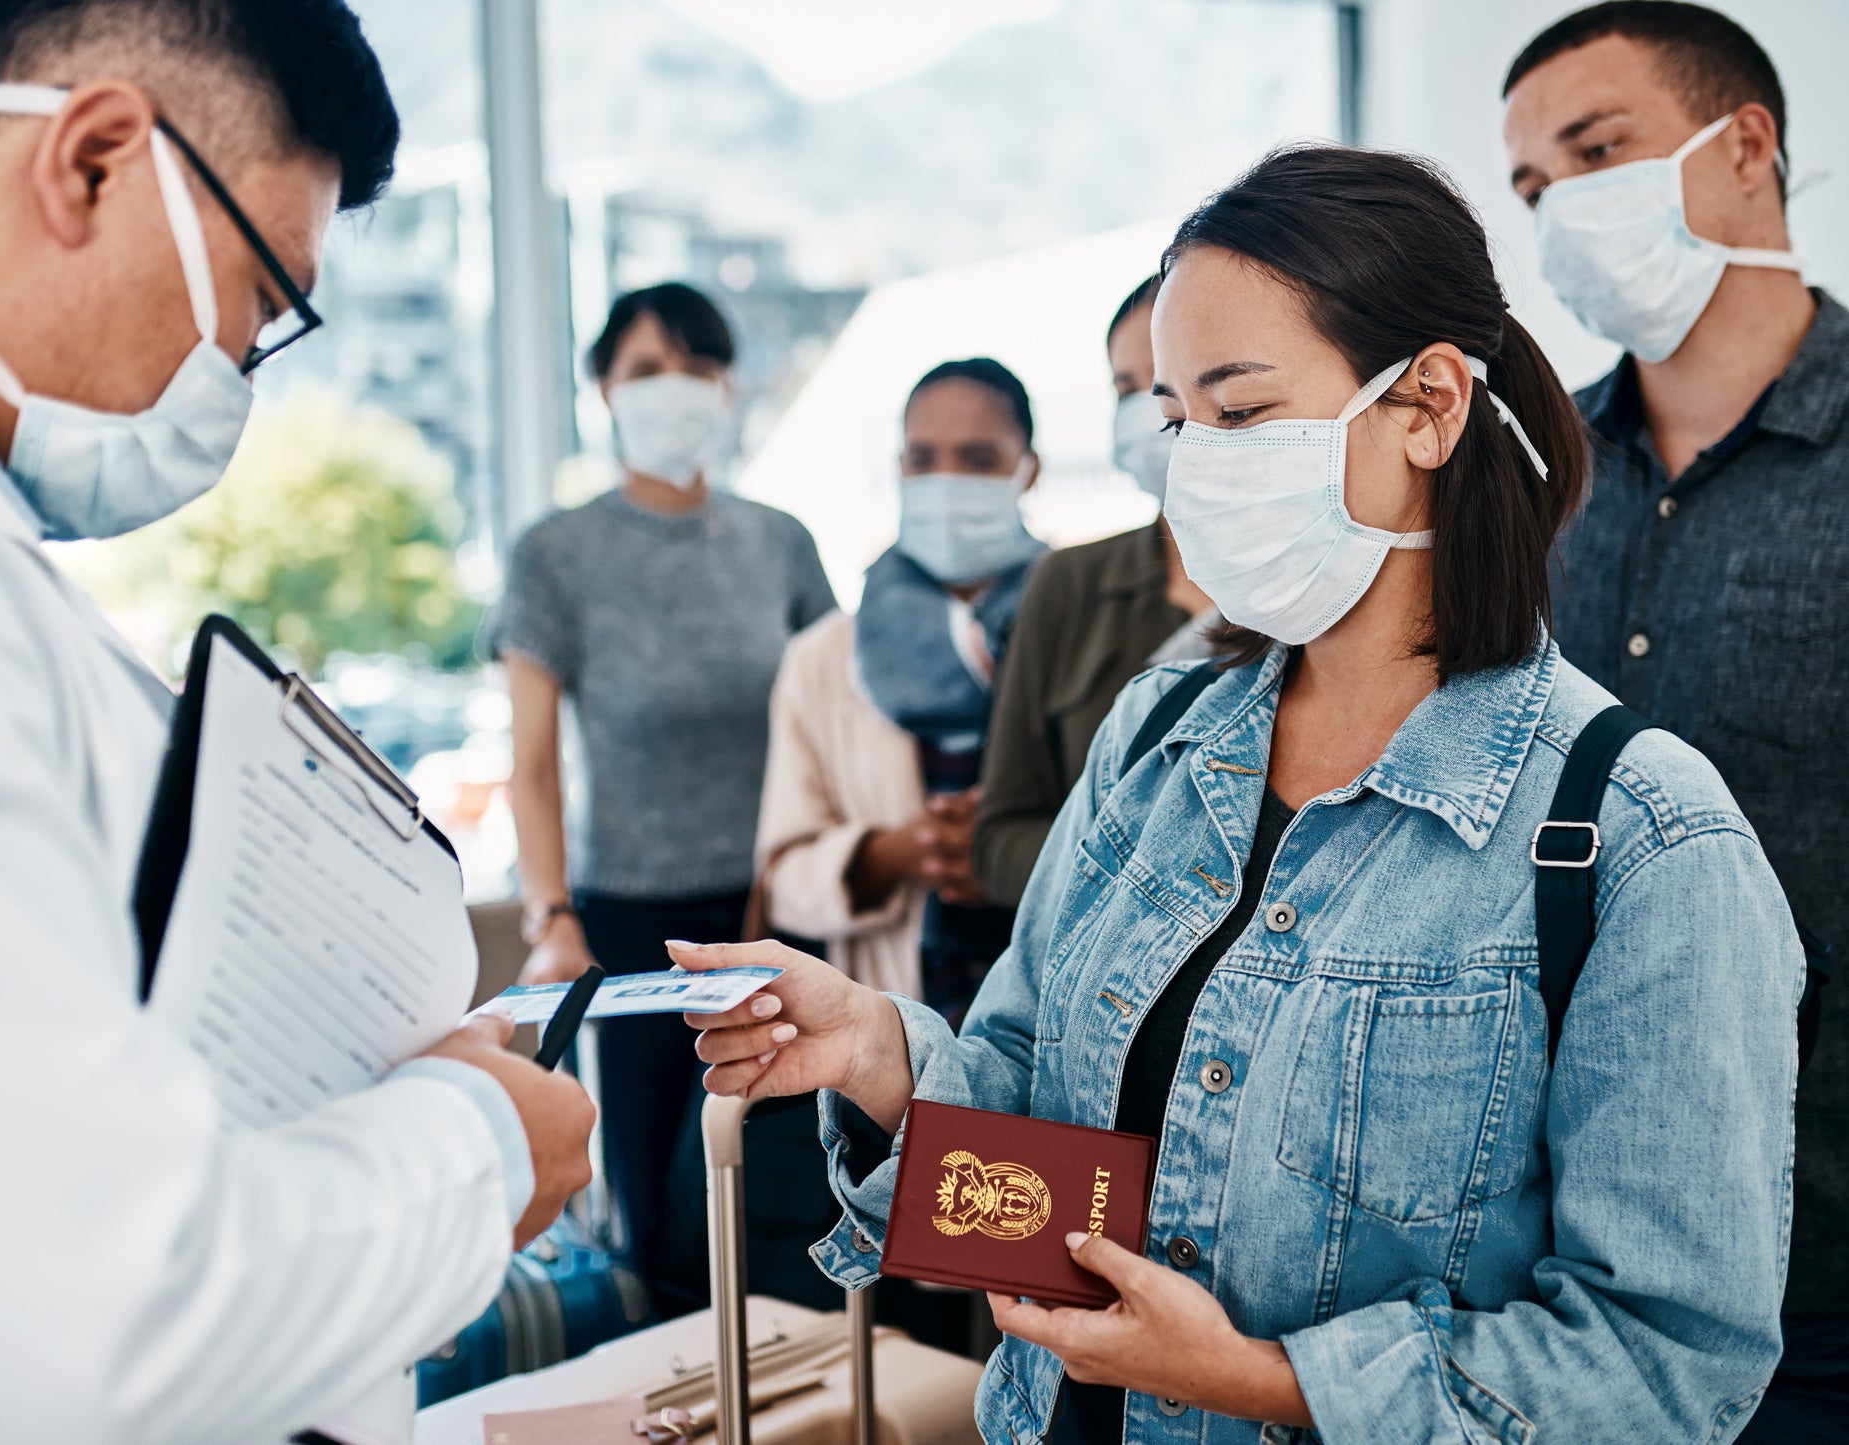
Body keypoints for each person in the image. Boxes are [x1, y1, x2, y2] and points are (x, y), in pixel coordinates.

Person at [676, 144, 1802, 1442]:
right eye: (1172, 420)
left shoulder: (1637, 841)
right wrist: (888, 1066)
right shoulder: (1153, 743)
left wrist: (1258, 1381)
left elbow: (1667, 1365)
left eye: (1242, 412)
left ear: (1428, 405)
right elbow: (1054, 1206)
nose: (1193, 464)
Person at [0, 2, 595, 1440]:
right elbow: (76, 1314)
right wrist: (474, 1146)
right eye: (258, 304)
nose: (231, 381)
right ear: (92, 161)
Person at [1501, 5, 1848, 1435]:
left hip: (1813, 1235)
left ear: (1742, 147)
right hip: (1541, 1232)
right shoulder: (1528, 483)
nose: (1562, 211)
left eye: (1595, 152)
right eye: (1530, 189)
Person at [482, 281, 835, 1306]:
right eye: (643, 369)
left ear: (727, 389)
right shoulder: (557, 553)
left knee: (783, 1194)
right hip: (630, 928)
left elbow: (829, 716)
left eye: (694, 367)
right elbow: (534, 760)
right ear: (602, 389)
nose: (671, 390)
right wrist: (551, 914)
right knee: (663, 1218)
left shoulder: (779, 542)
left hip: (777, 912)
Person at [755, 357, 1047, 1018]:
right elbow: (783, 881)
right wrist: (896, 852)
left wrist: (1017, 851)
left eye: (977, 458)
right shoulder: (824, 657)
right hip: (895, 1010)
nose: (945, 482)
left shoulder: (1085, 629)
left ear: (1030, 470)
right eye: (922, 459)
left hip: (1061, 1007)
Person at [973, 275, 1216, 908]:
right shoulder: (1068, 584)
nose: (1153, 413)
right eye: (1129, 389)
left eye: (1169, 380)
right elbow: (998, 838)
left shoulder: (1308, 586)